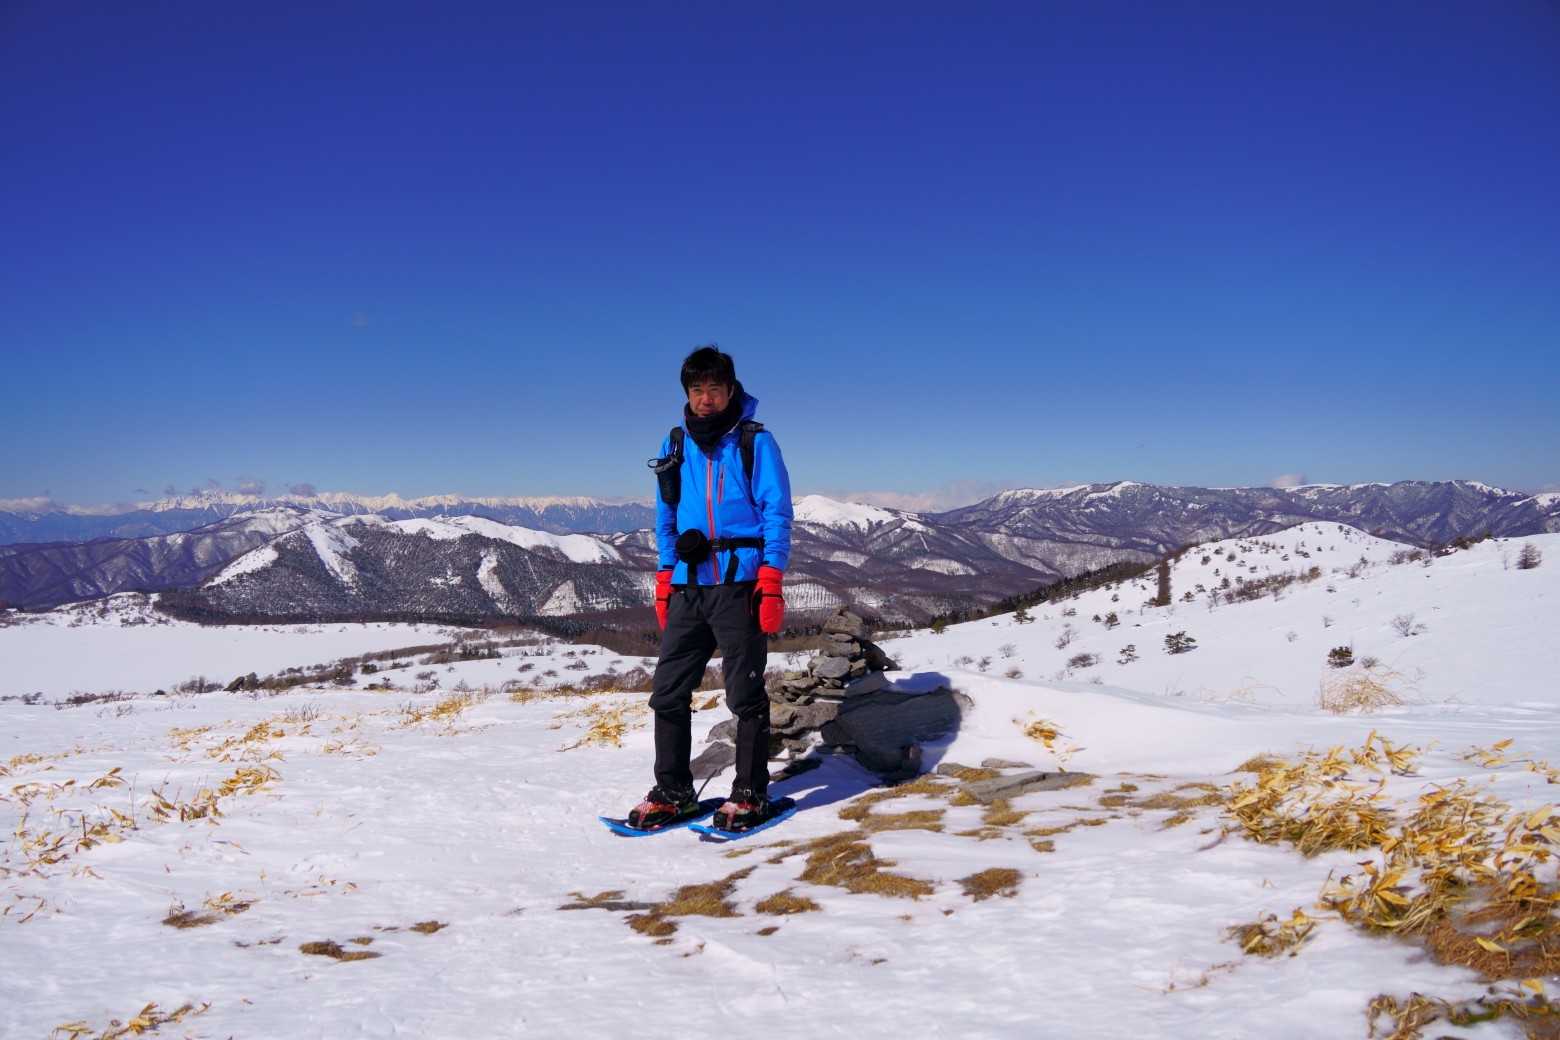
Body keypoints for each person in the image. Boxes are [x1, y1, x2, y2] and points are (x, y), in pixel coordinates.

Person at [627, 345, 794, 832]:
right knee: (667, 693)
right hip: (688, 583)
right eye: (696, 389)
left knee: (744, 694)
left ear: (730, 390)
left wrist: (771, 577)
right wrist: (665, 575)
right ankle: (673, 791)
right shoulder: (675, 443)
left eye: (714, 389)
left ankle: (750, 793)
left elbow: (777, 512)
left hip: (740, 582)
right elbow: (666, 514)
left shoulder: (754, 442)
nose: (705, 399)